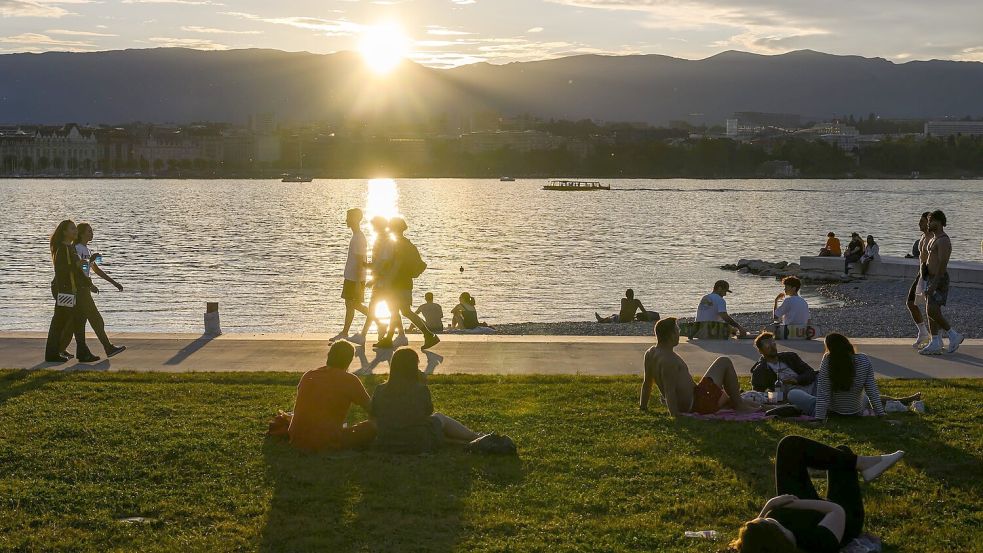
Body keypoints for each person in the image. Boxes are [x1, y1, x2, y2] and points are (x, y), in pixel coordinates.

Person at [730, 435, 905, 553]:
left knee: (789, 446)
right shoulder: (816, 542)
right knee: (843, 455)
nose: (765, 516)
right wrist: (797, 504)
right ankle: (862, 463)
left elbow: (751, 534)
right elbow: (835, 510)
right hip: (842, 519)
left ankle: (861, 463)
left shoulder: (763, 534)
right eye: (765, 519)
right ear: (779, 534)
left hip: (802, 509)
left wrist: (770, 505)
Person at [640, 317, 761, 416]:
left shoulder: (650, 353)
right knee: (724, 361)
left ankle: (761, 406)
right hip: (698, 404)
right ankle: (740, 406)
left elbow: (647, 384)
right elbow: (669, 391)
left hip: (695, 398)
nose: (679, 333)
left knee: (730, 397)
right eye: (677, 331)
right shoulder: (669, 360)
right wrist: (675, 415)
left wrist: (643, 407)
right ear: (671, 335)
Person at [371, 348, 480, 453]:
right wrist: (422, 383)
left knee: (425, 426)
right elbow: (427, 412)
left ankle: (459, 440)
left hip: (386, 442)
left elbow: (373, 415)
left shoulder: (380, 389)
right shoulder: (419, 389)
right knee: (440, 417)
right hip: (418, 442)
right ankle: (475, 437)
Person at [287, 340, 377, 452]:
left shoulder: (309, 375)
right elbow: (372, 409)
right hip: (327, 440)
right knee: (372, 426)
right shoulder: (349, 380)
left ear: (329, 356)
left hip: (296, 437)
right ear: (349, 361)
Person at [58, 223, 126, 358]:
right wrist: (89, 281)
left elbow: (94, 270)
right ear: (82, 234)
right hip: (80, 290)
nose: (91, 233)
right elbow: (80, 269)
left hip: (85, 289)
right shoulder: (77, 248)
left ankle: (62, 350)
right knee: (96, 320)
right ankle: (108, 347)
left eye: (92, 231)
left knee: (77, 322)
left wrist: (114, 283)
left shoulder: (86, 250)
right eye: (89, 231)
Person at [786, 333, 889, 419]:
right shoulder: (864, 359)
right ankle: (889, 403)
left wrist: (819, 418)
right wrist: (880, 414)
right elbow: (872, 390)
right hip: (855, 412)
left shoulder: (828, 360)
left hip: (832, 412)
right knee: (864, 397)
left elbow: (823, 393)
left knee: (793, 393)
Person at [374, 217, 440, 350]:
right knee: (401, 311)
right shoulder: (409, 244)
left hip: (397, 283)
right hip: (405, 283)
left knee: (400, 311)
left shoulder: (398, 244)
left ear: (394, 228)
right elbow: (421, 264)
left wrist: (388, 280)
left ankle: (428, 335)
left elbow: (396, 265)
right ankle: (389, 338)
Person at [44, 220, 99, 363]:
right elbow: (61, 271)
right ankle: (53, 354)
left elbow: (79, 271)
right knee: (60, 322)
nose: (75, 231)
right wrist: (76, 265)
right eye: (72, 229)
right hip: (64, 291)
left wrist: (89, 284)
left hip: (71, 291)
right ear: (64, 232)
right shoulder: (62, 249)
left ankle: (62, 351)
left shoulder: (70, 248)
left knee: (69, 321)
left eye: (75, 228)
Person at [334, 208, 384, 344]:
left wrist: (357, 282)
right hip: (351, 276)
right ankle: (345, 332)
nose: (346, 220)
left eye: (348, 217)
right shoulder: (356, 236)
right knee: (350, 305)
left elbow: (360, 261)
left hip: (355, 278)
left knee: (354, 304)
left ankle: (380, 324)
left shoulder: (359, 238)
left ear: (355, 219)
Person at [919, 210, 963, 355]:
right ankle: (935, 341)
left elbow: (943, 263)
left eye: (931, 220)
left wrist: (934, 283)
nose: (929, 223)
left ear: (938, 222)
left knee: (932, 310)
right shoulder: (934, 238)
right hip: (930, 277)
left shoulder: (943, 240)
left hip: (939, 278)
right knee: (930, 310)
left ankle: (953, 335)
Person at [750, 331, 817, 393]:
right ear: (761, 351)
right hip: (791, 394)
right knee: (794, 393)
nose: (772, 348)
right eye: (768, 346)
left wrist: (796, 380)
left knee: (821, 375)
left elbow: (810, 372)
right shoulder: (759, 370)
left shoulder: (790, 357)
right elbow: (757, 392)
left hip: (809, 386)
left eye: (773, 344)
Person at [907, 212, 932, 348]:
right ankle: (923, 332)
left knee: (932, 307)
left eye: (922, 222)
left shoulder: (932, 238)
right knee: (911, 302)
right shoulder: (922, 237)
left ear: (929, 223)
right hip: (921, 274)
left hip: (929, 274)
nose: (919, 224)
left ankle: (944, 335)